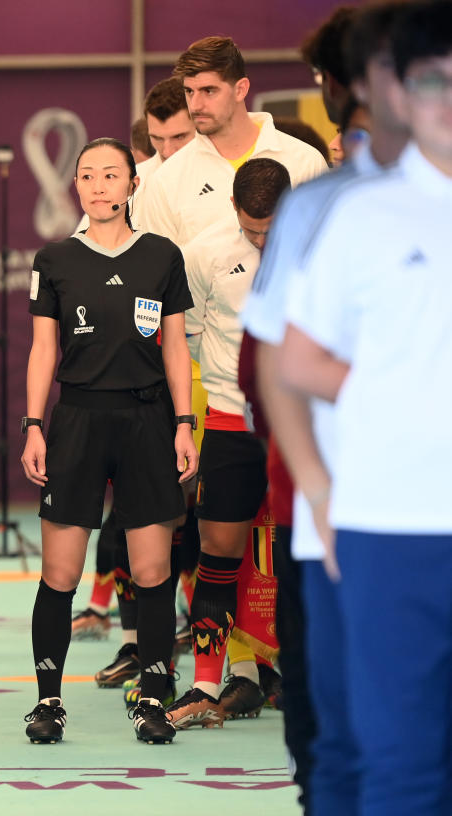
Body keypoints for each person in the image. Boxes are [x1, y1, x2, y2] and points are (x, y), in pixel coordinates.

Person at [279, 6, 452, 816]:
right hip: (390, 523)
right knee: (393, 759)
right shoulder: (350, 213)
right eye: (430, 82)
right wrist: (317, 483)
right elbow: (291, 363)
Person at [250, 3, 416, 816]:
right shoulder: (319, 213)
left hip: (420, 515)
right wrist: (316, 482)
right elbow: (276, 369)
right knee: (345, 738)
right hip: (335, 521)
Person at [20, 137, 197, 746]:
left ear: (131, 185)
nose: (98, 186)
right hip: (76, 423)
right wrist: (34, 425)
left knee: (152, 570)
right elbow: (44, 350)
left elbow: (175, 346)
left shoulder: (161, 257)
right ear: (76, 187)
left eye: (110, 175)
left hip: (148, 422)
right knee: (61, 573)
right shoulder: (55, 259)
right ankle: (47, 702)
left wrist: (183, 422)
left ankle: (152, 696)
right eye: (87, 176)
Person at [164, 158, 290, 728]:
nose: (261, 241)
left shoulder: (323, 249)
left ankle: (311, 679)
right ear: (233, 211)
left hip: (302, 429)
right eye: (251, 229)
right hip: (233, 424)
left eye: (272, 229)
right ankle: (205, 685)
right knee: (217, 551)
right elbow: (187, 336)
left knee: (308, 556)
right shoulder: (207, 253)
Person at [73, 76, 199, 645]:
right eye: (158, 140)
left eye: (180, 138)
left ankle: (214, 645)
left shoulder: (209, 189)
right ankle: (130, 638)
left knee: (198, 523)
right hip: (130, 394)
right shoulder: (95, 226)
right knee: (129, 519)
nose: (169, 151)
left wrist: (183, 417)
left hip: (199, 381)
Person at [136, 36, 328, 246]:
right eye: (189, 91)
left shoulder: (304, 161)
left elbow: (326, 252)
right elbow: (161, 274)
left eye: (209, 91)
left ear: (241, 89)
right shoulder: (166, 179)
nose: (196, 105)